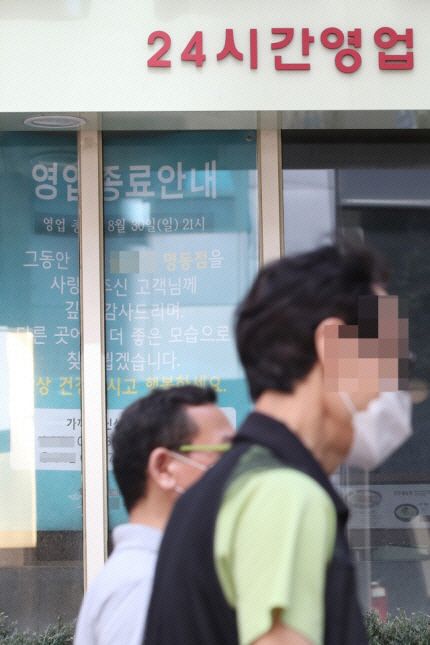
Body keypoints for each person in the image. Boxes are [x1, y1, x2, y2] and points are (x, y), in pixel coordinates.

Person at [143, 244, 413, 645]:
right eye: (388, 355)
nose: (396, 385)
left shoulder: (217, 490)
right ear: (334, 345)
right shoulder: (285, 493)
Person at [74, 385, 233, 645]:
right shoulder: (145, 584)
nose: (238, 467)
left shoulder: (159, 573)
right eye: (225, 453)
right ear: (164, 468)